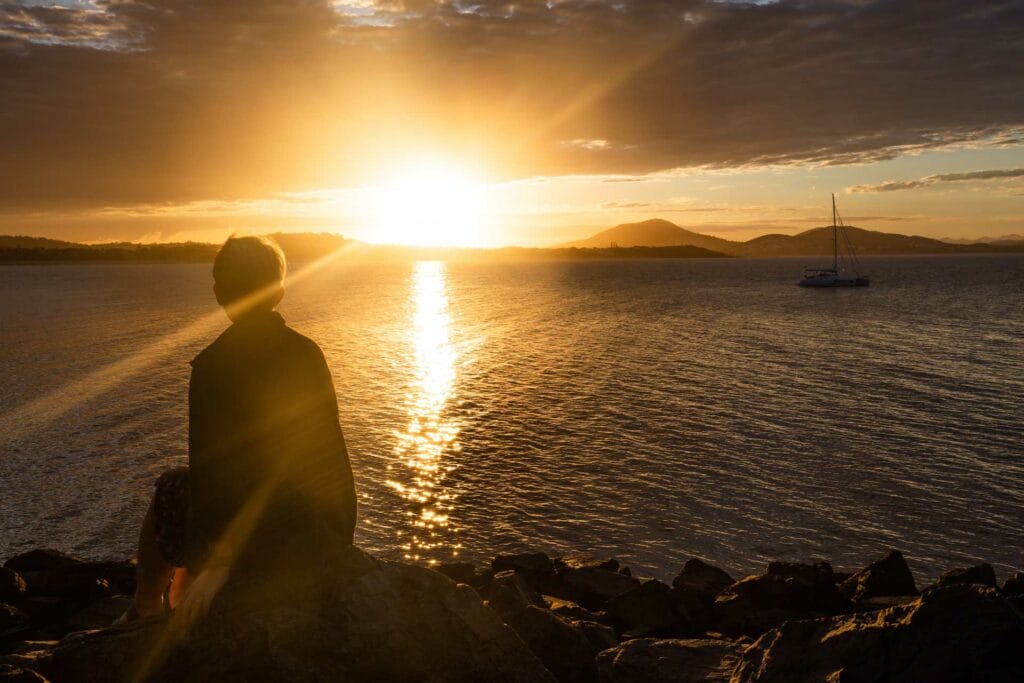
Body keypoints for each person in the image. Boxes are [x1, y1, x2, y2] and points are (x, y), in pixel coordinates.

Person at [119, 235, 357, 626]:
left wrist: (217, 564)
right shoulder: (308, 352)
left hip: (270, 541)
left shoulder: (214, 366)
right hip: (326, 530)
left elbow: (214, 479)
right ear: (279, 290)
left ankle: (146, 607)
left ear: (219, 291)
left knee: (173, 487)